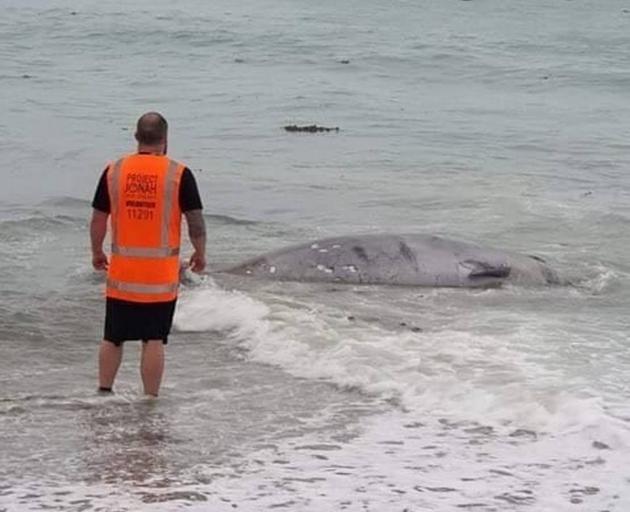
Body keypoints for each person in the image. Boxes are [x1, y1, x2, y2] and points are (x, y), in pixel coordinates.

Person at [90, 112, 206, 397]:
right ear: (165, 140)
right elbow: (196, 222)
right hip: (159, 279)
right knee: (153, 339)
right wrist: (200, 253)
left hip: (122, 275)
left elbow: (97, 218)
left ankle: (104, 391)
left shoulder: (114, 170)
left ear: (136, 137)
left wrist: (96, 252)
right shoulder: (178, 174)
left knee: (113, 336)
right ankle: (150, 400)